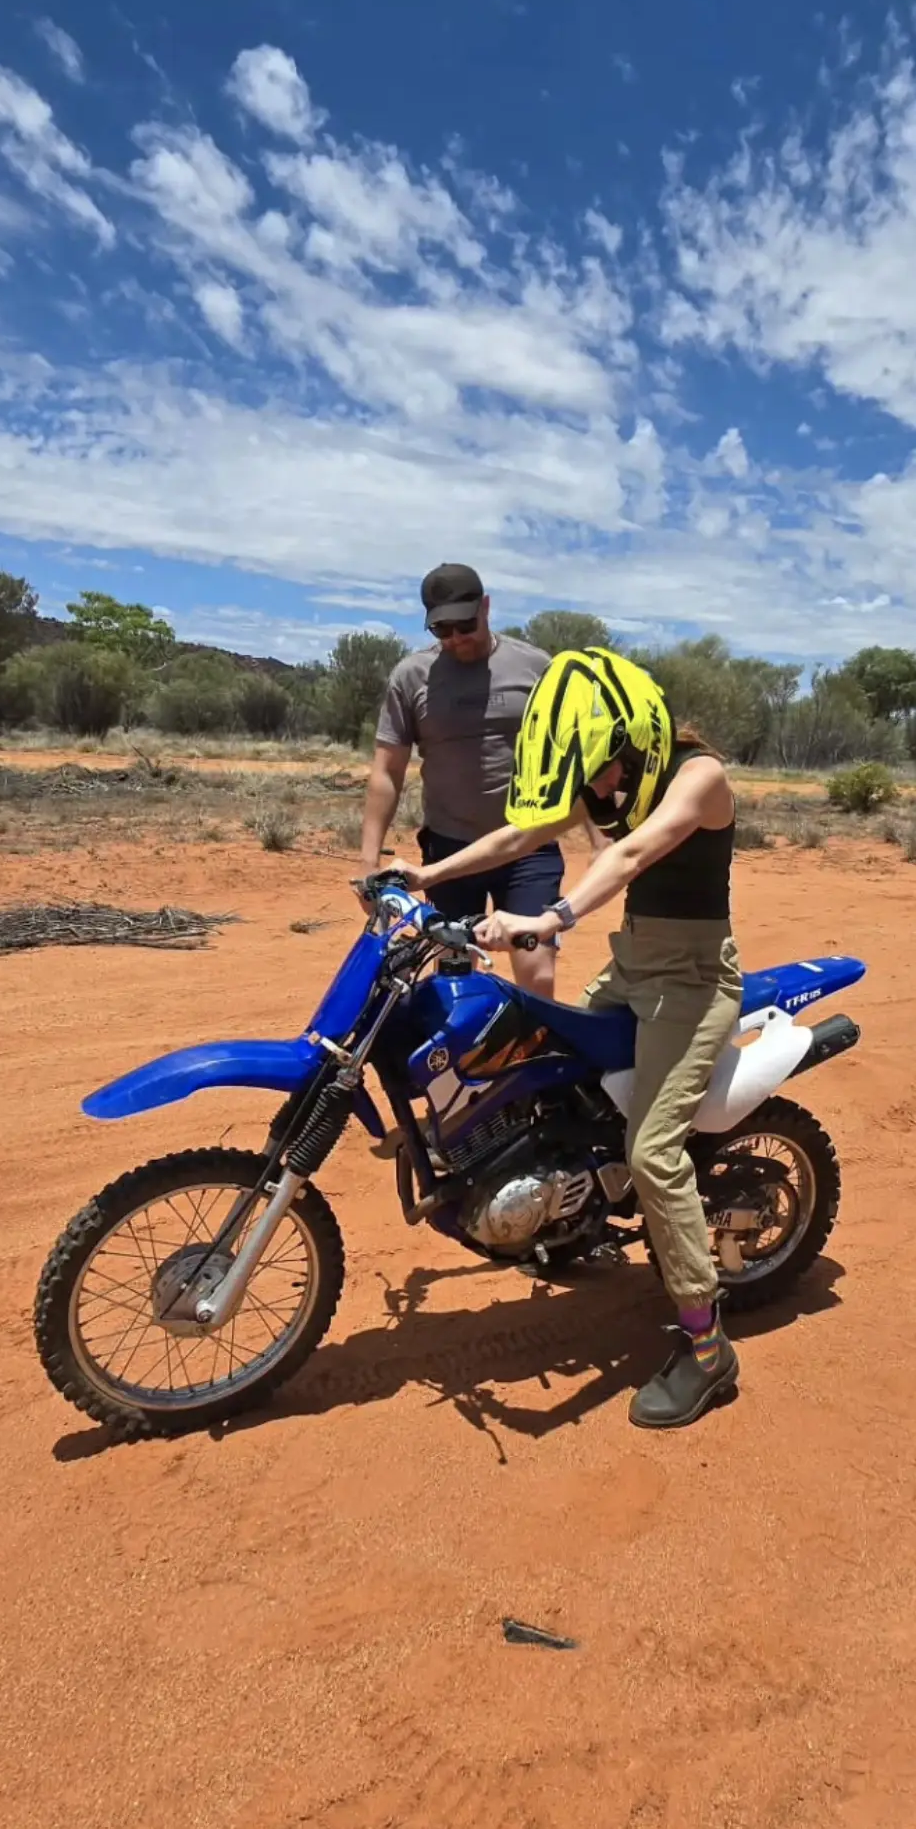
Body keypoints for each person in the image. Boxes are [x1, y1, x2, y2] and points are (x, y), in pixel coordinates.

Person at [392, 646, 743, 1431]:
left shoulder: (699, 777)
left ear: (638, 741)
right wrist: (425, 879)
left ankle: (708, 1350)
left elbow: (632, 852)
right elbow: (519, 835)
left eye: (605, 775)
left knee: (654, 1152)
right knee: (546, 1070)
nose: (600, 792)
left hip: (693, 984)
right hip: (633, 971)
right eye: (590, 781)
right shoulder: (612, 777)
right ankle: (576, 1213)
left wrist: (550, 918)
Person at [360, 564, 570, 996]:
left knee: (536, 972)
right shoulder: (411, 677)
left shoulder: (536, 667)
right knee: (456, 977)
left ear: (486, 607)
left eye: (465, 625)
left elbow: (571, 757)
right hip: (448, 851)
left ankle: (531, 1058)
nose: (456, 638)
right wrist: (368, 868)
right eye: (442, 630)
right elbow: (387, 771)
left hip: (528, 846)